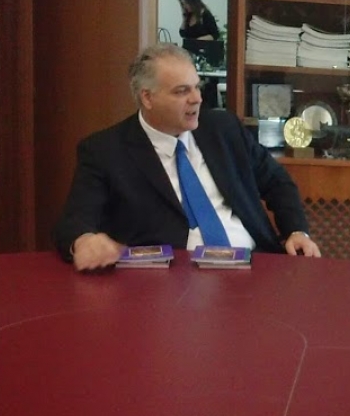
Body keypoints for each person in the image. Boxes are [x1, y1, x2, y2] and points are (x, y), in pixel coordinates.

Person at [54, 43, 320, 270]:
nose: (197, 99)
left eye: (196, 87)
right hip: (169, 284)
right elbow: (74, 221)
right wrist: (83, 241)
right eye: (182, 91)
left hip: (255, 266)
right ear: (147, 98)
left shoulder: (224, 129)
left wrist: (296, 231)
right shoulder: (106, 151)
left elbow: (277, 182)